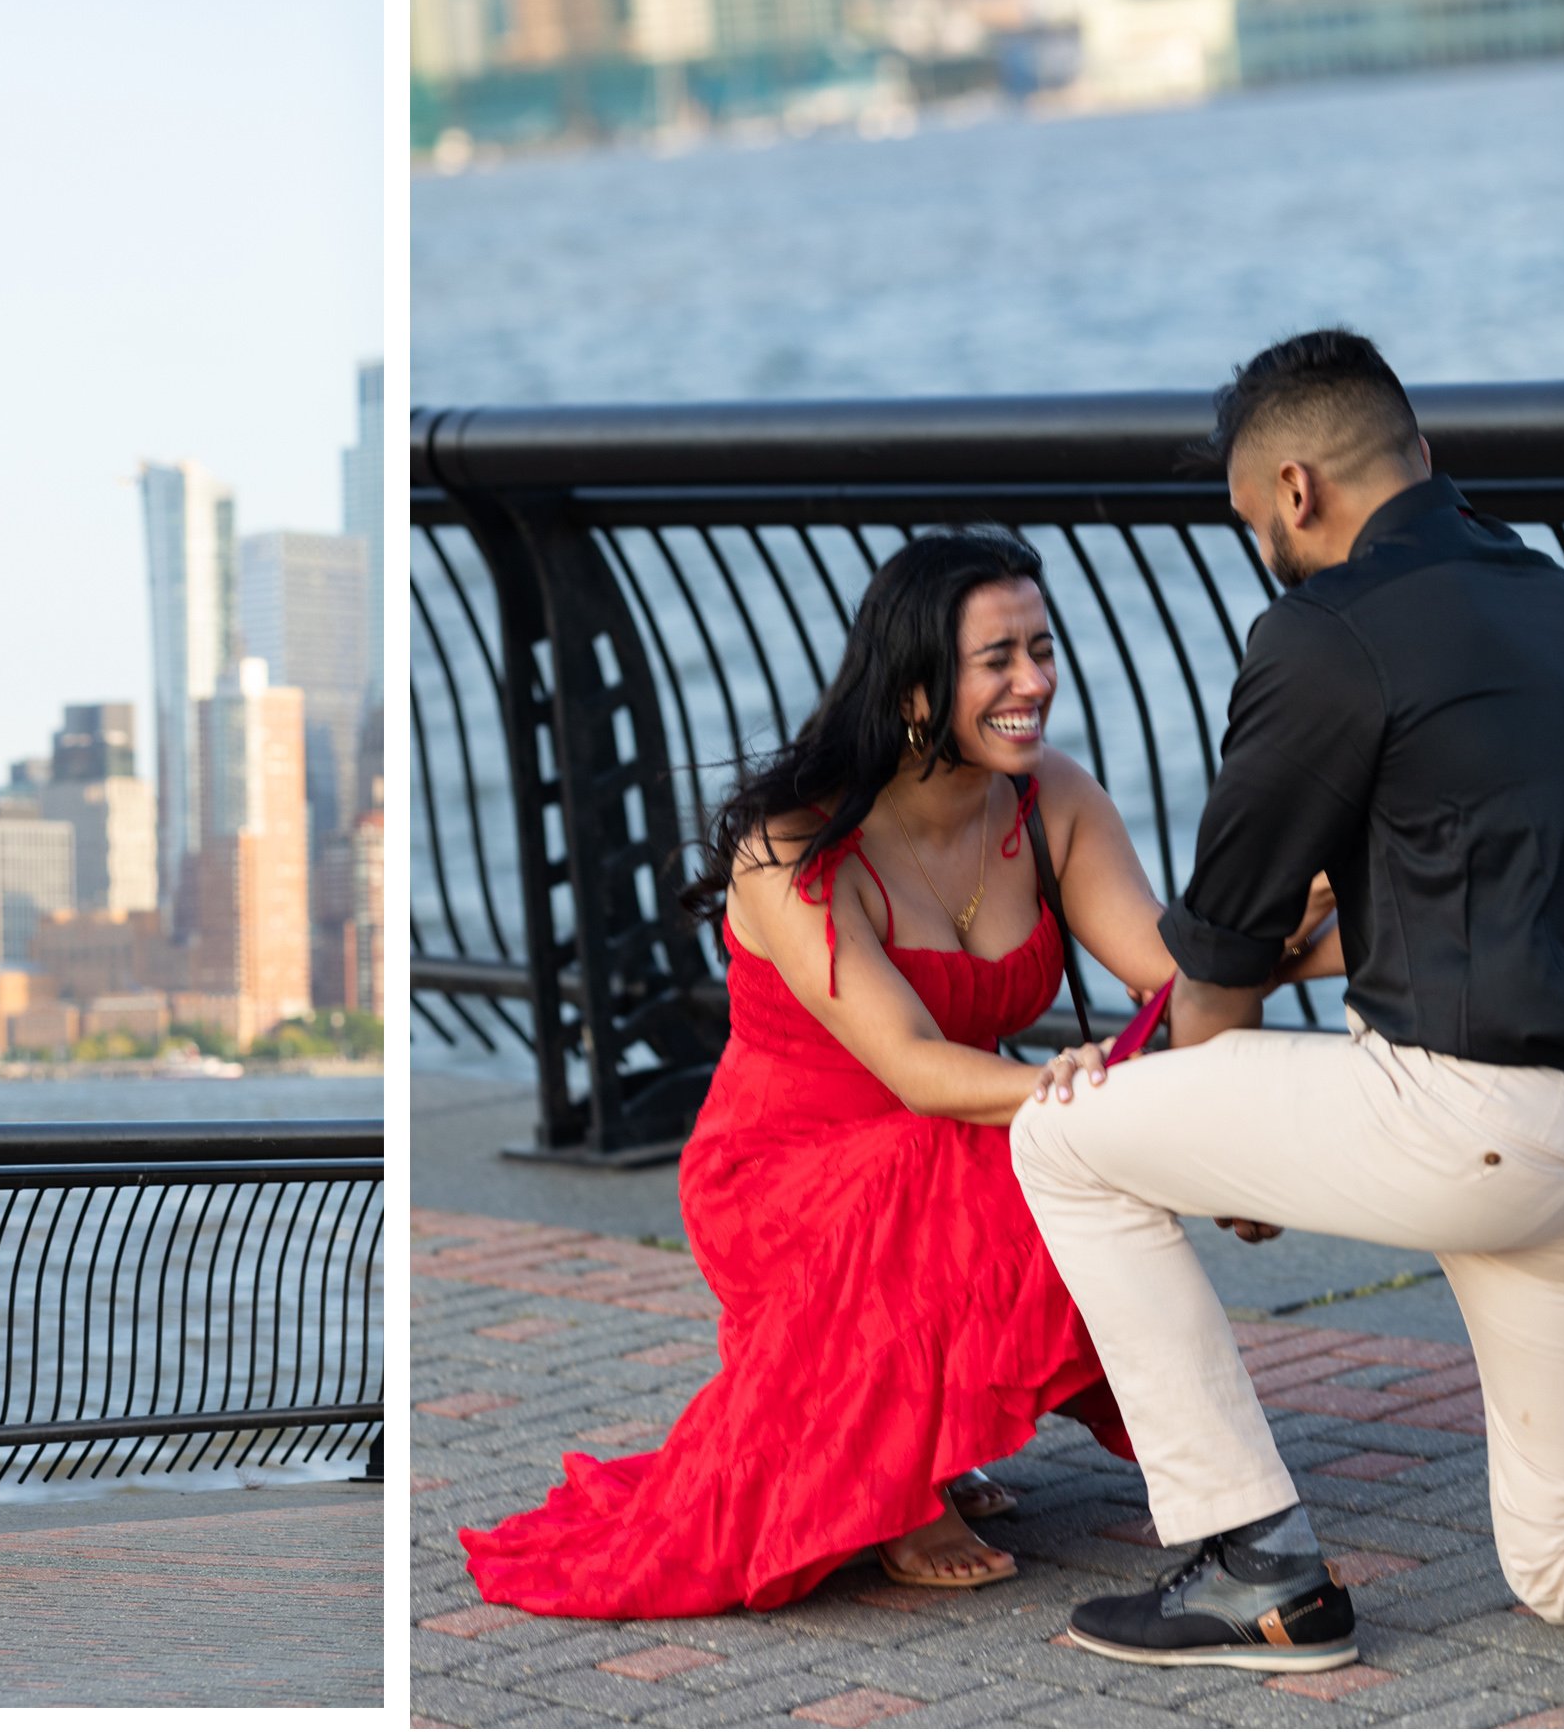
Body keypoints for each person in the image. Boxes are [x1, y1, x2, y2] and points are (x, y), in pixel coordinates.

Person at [1011, 328, 1564, 1671]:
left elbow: (1220, 941)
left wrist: (1210, 1137)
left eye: (1246, 523)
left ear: (1293, 490)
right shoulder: (1557, 602)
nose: (1261, 552)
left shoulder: (1322, 632)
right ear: (1419, 455)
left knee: (1058, 1137)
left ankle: (1248, 1566)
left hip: (1470, 1122)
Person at [461, 527, 1193, 1618]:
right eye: (995, 659)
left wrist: (1322, 920)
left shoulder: (1052, 800)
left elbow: (1166, 968)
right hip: (781, 1171)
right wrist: (1075, 1092)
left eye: (1041, 648)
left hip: (944, 1136)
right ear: (911, 693)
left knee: (1006, 1160)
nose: (1033, 682)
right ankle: (900, 1486)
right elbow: (911, 1069)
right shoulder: (787, 844)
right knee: (986, 1156)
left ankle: (947, 1447)